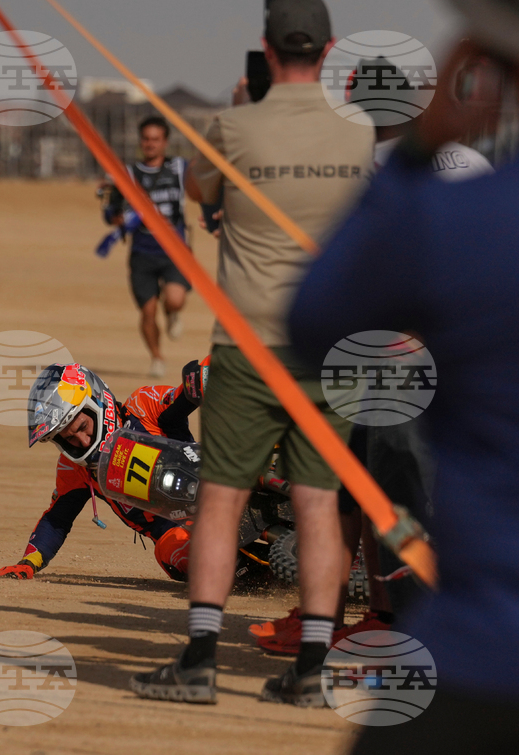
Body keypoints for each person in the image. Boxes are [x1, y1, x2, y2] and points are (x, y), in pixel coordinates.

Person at [130, 0, 375, 707]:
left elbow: (202, 199)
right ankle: (312, 666)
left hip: (246, 344)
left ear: (266, 53)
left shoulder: (233, 127)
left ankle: (201, 657)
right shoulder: (358, 134)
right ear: (328, 54)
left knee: (220, 500)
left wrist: (239, 115)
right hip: (330, 347)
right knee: (320, 503)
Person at [289, 2, 519, 746]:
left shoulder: (457, 214)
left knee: (397, 482)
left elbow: (314, 316)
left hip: (483, 650)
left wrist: (416, 155)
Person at [253, 57, 497, 655]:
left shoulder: (374, 172)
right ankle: (369, 616)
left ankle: (374, 619)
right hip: (460, 361)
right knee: (411, 493)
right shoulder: (475, 164)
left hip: (384, 361)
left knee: (362, 493)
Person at [0, 361, 205, 582]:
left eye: (82, 427)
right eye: (70, 438)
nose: (82, 440)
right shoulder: (75, 468)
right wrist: (27, 564)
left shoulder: (142, 406)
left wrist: (199, 381)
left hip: (215, 483)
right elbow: (57, 519)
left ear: (98, 403)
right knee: (175, 551)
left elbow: (184, 398)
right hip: (176, 534)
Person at [102, 116, 190, 379]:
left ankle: (172, 313)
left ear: (165, 142)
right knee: (147, 311)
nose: (150, 144)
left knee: (175, 299)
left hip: (175, 251)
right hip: (142, 253)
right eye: (146, 139)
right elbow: (111, 211)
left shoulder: (179, 169)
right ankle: (157, 357)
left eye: (156, 139)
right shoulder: (128, 175)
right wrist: (114, 217)